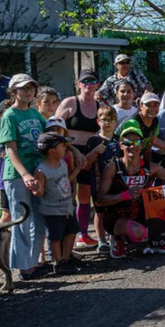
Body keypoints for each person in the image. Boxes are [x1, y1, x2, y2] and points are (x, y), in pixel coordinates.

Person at [94, 126, 165, 258]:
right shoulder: (113, 167)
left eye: (136, 142)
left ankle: (152, 239)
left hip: (142, 215)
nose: (132, 146)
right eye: (127, 143)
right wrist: (124, 195)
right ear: (121, 146)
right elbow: (100, 200)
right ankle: (121, 240)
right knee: (139, 232)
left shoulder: (149, 167)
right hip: (117, 217)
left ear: (141, 145)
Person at [0, 74, 48, 280]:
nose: (27, 91)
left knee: (38, 219)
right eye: (22, 88)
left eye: (31, 88)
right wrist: (25, 174)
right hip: (18, 175)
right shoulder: (10, 116)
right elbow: (10, 149)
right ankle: (23, 268)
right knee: (22, 219)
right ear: (13, 92)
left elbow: (50, 136)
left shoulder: (36, 115)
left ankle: (33, 262)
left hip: (37, 173)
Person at [55, 69, 102, 249]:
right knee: (68, 195)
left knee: (85, 196)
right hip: (69, 153)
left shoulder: (99, 106)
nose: (88, 85)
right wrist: (70, 150)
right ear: (78, 84)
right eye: (84, 82)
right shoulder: (70, 103)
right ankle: (66, 238)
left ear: (97, 84)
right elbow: (55, 128)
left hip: (90, 155)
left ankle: (83, 234)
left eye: (92, 81)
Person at [33, 132, 81, 275]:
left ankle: (65, 259)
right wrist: (37, 189)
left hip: (67, 207)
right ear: (51, 150)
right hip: (52, 211)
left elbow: (66, 180)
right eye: (62, 146)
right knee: (55, 237)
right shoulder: (42, 170)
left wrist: (78, 169)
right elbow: (40, 192)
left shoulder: (62, 164)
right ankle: (58, 262)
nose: (65, 149)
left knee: (72, 231)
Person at [84, 106, 120, 253]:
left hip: (116, 181)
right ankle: (101, 240)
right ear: (98, 121)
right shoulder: (93, 140)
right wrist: (95, 152)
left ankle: (113, 237)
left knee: (115, 209)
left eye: (111, 120)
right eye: (104, 120)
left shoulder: (119, 140)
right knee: (100, 211)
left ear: (116, 123)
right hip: (97, 181)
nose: (107, 123)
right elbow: (85, 163)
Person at [118, 91, 165, 162]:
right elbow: (131, 146)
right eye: (148, 105)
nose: (152, 108)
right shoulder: (133, 122)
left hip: (136, 154)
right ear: (141, 105)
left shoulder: (155, 121)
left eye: (155, 105)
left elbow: (151, 143)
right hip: (122, 155)